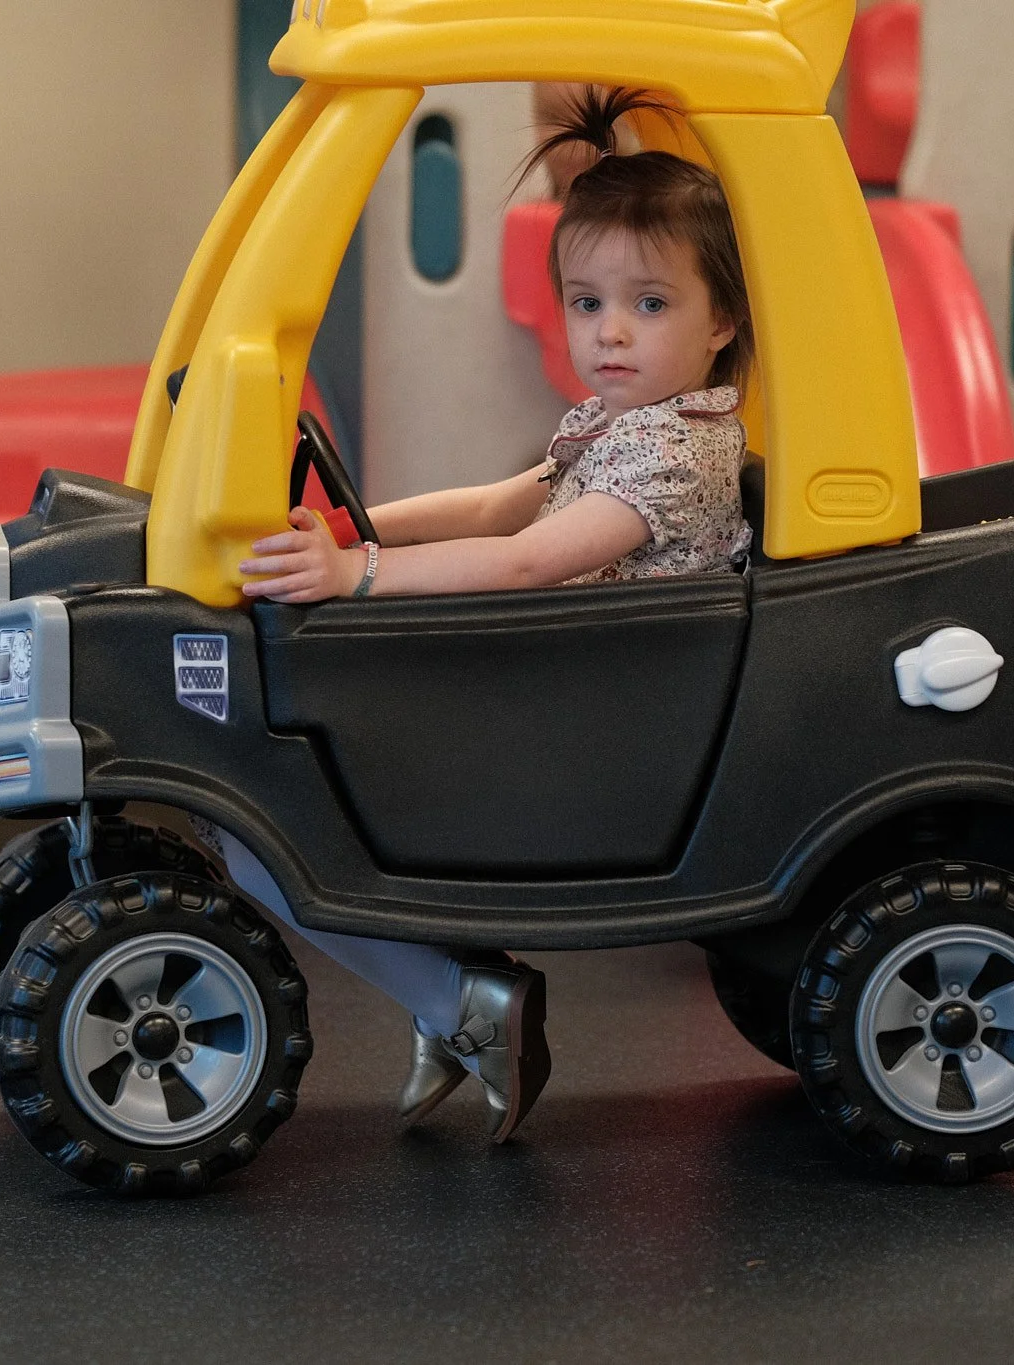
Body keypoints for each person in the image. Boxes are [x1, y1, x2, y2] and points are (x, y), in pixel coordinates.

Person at [211, 88, 756, 1144]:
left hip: (600, 723)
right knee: (265, 813)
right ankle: (449, 999)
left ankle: (455, 1001)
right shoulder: (619, 421)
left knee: (281, 807)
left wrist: (352, 580)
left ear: (722, 321)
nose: (607, 332)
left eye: (648, 305)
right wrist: (353, 528)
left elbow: (521, 560)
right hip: (561, 686)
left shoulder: (676, 454)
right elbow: (493, 505)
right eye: (585, 301)